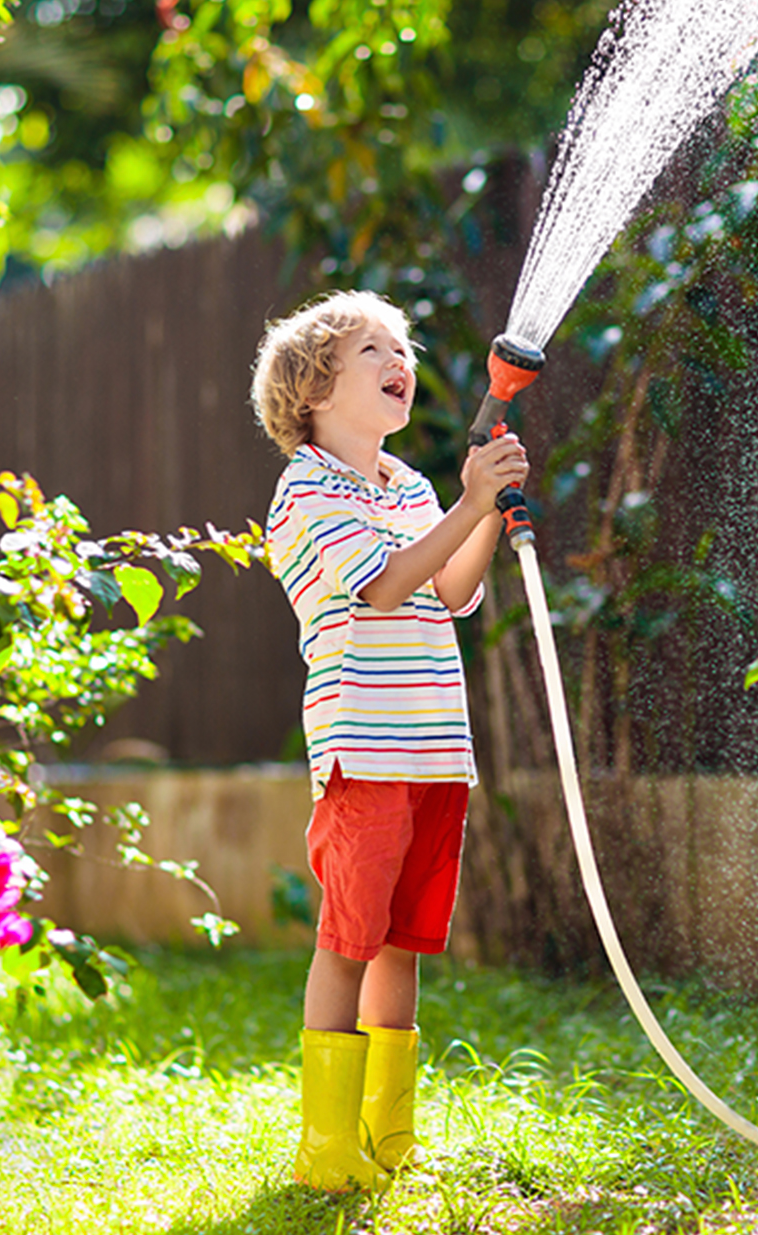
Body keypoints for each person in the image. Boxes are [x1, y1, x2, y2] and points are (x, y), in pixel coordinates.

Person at [251, 290, 529, 1190]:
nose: (397, 358)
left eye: (401, 346)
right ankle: (326, 1148)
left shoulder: (407, 487)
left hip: (433, 749)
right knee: (348, 938)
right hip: (363, 750)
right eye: (373, 347)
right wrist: (469, 499)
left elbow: (449, 589)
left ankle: (387, 1134)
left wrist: (483, 509)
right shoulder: (306, 488)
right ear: (313, 392)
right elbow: (380, 584)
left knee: (402, 941)